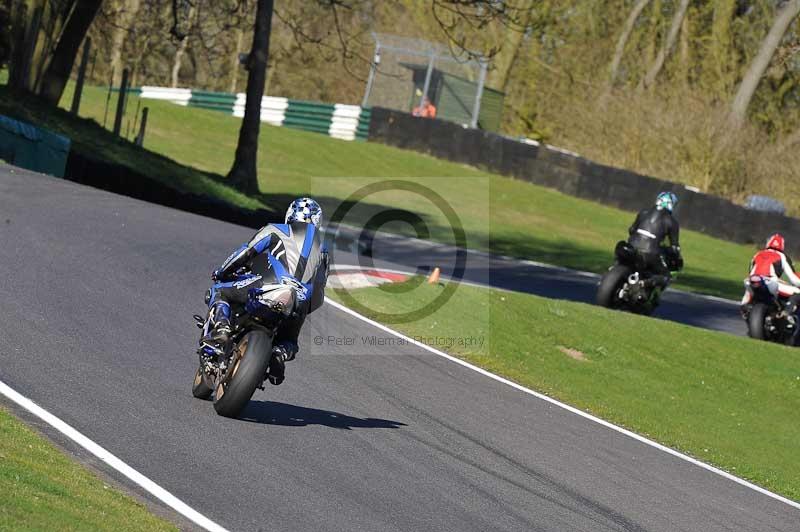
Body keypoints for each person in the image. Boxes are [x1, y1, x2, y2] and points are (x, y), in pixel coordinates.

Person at [201, 197, 328, 385]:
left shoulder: (275, 229)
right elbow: (319, 293)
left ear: (290, 215)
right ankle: (280, 353)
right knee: (290, 340)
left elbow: (246, 252)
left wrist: (222, 271)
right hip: (299, 300)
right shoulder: (324, 250)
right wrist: (302, 309)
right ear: (318, 221)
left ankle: (221, 327)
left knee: (220, 291)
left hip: (267, 286)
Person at [627, 191, 682, 289]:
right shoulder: (672, 222)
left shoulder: (643, 212)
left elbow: (631, 230)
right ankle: (644, 283)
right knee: (666, 276)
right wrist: (676, 257)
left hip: (631, 246)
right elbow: (674, 247)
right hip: (651, 253)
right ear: (671, 205)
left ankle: (612, 270)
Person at [740, 233, 800, 319]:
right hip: (771, 282)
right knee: (797, 292)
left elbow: (750, 271)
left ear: (768, 243)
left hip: (751, 281)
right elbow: (793, 279)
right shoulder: (782, 256)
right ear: (782, 246)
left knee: (748, 290)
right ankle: (786, 313)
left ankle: (744, 308)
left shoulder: (757, 254)